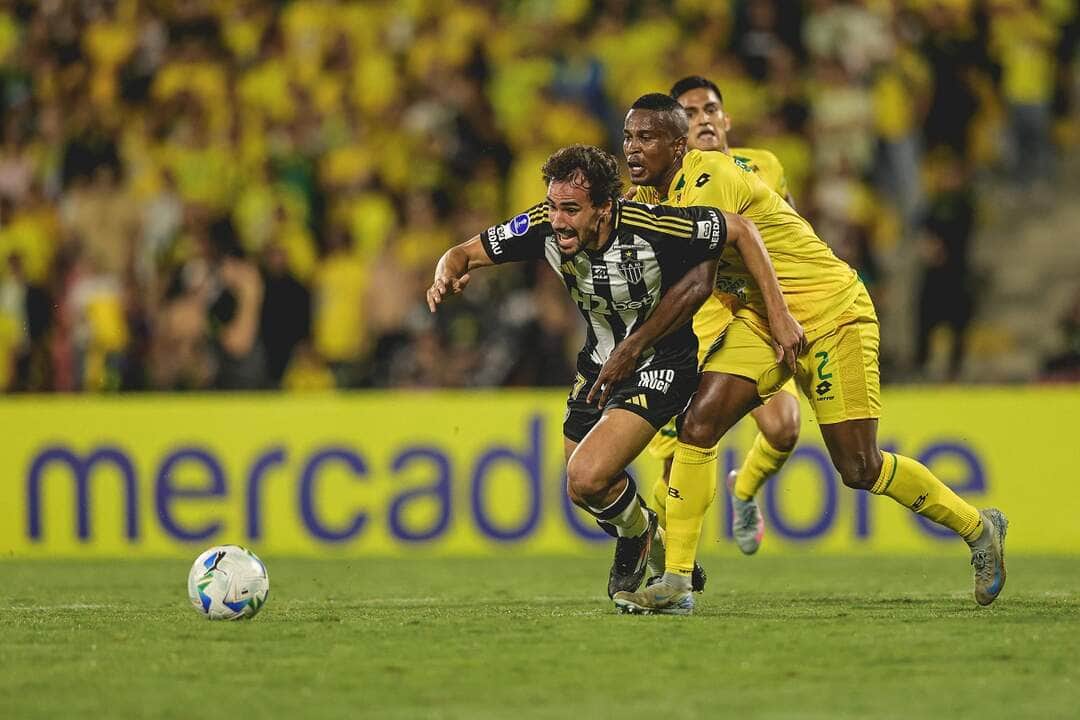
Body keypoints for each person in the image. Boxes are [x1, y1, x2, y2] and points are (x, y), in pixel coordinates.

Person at [606, 93, 1006, 614]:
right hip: (761, 318)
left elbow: (712, 271)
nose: (633, 150)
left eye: (647, 138)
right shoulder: (651, 199)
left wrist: (640, 344)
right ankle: (677, 579)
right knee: (698, 426)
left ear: (679, 147)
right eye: (629, 138)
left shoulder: (711, 176)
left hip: (831, 311)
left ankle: (979, 528)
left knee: (859, 466)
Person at [427, 144, 802, 601]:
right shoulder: (541, 227)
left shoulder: (654, 226)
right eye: (552, 206)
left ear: (605, 209)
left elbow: (741, 230)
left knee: (586, 476)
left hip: (660, 363)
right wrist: (446, 273)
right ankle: (648, 537)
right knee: (583, 487)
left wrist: (780, 315)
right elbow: (462, 253)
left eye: (571, 209)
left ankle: (641, 541)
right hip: (598, 363)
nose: (558, 220)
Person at [636, 76, 802, 562]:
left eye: (710, 109)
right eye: (689, 112)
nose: (702, 118)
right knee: (677, 463)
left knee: (785, 428)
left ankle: (744, 491)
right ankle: (664, 558)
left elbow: (791, 227)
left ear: (726, 118)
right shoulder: (661, 184)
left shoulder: (765, 165)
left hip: (757, 314)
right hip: (695, 322)